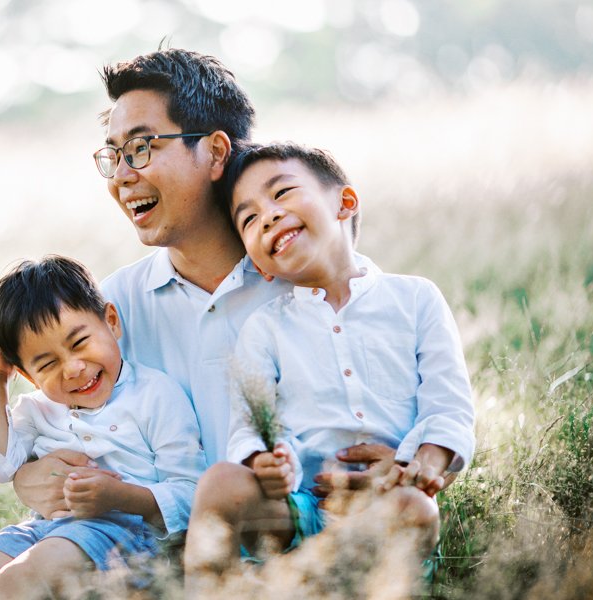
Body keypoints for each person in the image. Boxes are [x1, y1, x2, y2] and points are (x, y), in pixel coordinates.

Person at [0, 48, 402, 596]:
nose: (123, 177)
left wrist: (403, 455)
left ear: (215, 151)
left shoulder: (305, 283)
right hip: (143, 545)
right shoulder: (113, 309)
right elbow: (65, 428)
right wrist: (29, 477)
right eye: (113, 156)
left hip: (277, 550)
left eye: (141, 148)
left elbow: (405, 401)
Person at [183, 143, 476, 582]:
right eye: (249, 219)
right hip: (300, 506)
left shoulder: (415, 299)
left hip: (389, 504)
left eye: (281, 193)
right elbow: (249, 423)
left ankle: (290, 583)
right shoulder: (264, 328)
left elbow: (448, 406)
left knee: (415, 508)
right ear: (260, 266)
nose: (268, 216)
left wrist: (423, 466)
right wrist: (265, 459)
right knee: (220, 482)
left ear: (345, 202)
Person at [0, 256, 205, 599]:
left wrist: (121, 497)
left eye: (79, 343)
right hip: (43, 529)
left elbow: (190, 494)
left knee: (13, 586)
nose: (74, 368)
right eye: (48, 364)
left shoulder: (155, 395)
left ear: (111, 322)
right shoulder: (37, 409)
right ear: (28, 376)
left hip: (125, 536)